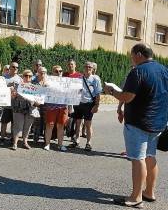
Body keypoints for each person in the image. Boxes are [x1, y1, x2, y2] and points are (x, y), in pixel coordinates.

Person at [105, 44, 168, 208]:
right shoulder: (164, 70)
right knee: (150, 156)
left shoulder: (138, 71)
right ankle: (149, 192)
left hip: (138, 122)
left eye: (132, 55)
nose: (131, 58)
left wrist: (111, 91)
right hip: (158, 123)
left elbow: (127, 96)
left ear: (139, 54)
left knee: (137, 158)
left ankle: (136, 197)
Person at [69, 62, 102, 151]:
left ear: (93, 69)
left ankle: (89, 143)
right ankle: (76, 141)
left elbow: (98, 93)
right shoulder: (80, 78)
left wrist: (97, 105)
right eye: (86, 66)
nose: (88, 68)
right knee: (78, 122)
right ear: (84, 68)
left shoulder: (95, 79)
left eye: (90, 67)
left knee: (88, 124)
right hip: (79, 103)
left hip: (89, 104)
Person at [43, 65, 68, 151]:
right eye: (56, 71)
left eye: (60, 71)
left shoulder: (67, 82)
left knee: (61, 126)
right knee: (49, 125)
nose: (58, 73)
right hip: (51, 107)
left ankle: (60, 145)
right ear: (52, 72)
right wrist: (45, 86)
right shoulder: (48, 81)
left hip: (63, 107)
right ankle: (47, 144)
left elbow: (72, 93)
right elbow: (43, 91)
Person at [11, 69, 36, 150]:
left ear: (32, 77)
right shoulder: (18, 86)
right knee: (17, 126)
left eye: (30, 76)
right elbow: (12, 97)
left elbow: (38, 100)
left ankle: (25, 142)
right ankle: (15, 143)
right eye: (26, 75)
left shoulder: (34, 87)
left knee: (27, 127)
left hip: (30, 108)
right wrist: (13, 94)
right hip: (18, 108)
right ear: (23, 76)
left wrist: (38, 102)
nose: (28, 77)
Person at [0, 61, 22, 144]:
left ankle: (13, 138)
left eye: (17, 67)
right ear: (10, 68)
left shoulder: (20, 79)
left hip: (15, 104)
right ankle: (2, 138)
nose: (16, 68)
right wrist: (9, 87)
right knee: (4, 122)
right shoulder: (4, 77)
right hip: (5, 103)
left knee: (14, 123)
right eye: (14, 67)